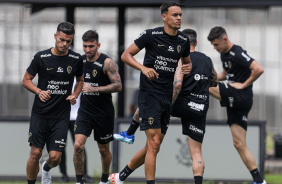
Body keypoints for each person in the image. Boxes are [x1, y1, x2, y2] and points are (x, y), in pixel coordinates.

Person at [113, 28, 218, 184]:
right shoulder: (207, 60)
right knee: (196, 153)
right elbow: (214, 80)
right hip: (200, 107)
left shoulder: (180, 58)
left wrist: (167, 107)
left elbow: (178, 83)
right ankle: (121, 176)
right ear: (196, 42)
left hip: (178, 104)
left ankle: (130, 132)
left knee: (152, 142)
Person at [109, 2, 192, 184]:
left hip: (166, 97)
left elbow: (187, 62)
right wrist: (143, 68)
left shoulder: (183, 40)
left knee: (153, 146)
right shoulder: (151, 35)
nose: (179, 18)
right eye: (175, 15)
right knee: (154, 143)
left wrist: (186, 68)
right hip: (149, 94)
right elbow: (126, 55)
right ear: (164, 17)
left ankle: (120, 177)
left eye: (180, 15)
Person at [22, 22, 84, 184]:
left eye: (68, 41)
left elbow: (80, 80)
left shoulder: (76, 59)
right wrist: (38, 91)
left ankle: (47, 168)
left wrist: (75, 94)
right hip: (40, 114)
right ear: (55, 36)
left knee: (55, 158)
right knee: (35, 153)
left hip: (61, 116)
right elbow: (26, 80)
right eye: (62, 40)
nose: (64, 44)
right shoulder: (41, 57)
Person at [207, 26, 266, 184]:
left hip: (240, 95)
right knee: (239, 143)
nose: (215, 48)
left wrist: (243, 85)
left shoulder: (237, 53)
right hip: (235, 99)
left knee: (201, 84)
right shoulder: (224, 55)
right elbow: (225, 75)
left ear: (225, 39)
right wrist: (211, 77)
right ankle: (259, 181)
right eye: (213, 45)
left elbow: (258, 69)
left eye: (216, 44)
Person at [73, 30, 122, 184]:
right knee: (78, 145)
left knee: (103, 150)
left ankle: (104, 180)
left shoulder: (107, 62)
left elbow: (118, 86)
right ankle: (79, 181)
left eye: (91, 46)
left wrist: (95, 89)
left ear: (98, 45)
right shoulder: (79, 62)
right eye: (85, 46)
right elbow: (76, 82)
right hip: (85, 112)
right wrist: (74, 95)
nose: (88, 50)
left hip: (104, 113)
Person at [59, 84, 93, 183]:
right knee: (60, 146)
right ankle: (64, 175)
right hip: (62, 117)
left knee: (79, 146)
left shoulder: (81, 78)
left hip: (78, 117)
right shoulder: (63, 77)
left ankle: (84, 174)